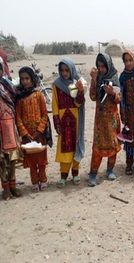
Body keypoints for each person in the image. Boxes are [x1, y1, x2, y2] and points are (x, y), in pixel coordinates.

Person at [15, 66, 52, 192]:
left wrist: (39, 130)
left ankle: (43, 180)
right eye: (22, 79)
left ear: (32, 79)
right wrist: (24, 133)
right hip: (27, 137)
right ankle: (35, 182)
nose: (25, 81)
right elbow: (18, 118)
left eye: (27, 78)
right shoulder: (19, 99)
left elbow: (44, 114)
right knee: (31, 161)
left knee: (41, 160)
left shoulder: (38, 95)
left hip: (39, 135)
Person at [88, 53, 122, 186]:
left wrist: (112, 93)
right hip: (100, 120)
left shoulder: (114, 77)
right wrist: (94, 79)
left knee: (113, 145)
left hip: (112, 119)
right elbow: (92, 96)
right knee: (98, 147)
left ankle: (110, 170)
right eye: (99, 66)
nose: (101, 69)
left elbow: (119, 99)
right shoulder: (97, 78)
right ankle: (93, 173)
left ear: (109, 65)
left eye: (103, 66)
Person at [52, 58, 86, 188]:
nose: (65, 73)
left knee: (76, 144)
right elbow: (55, 104)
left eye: (67, 70)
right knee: (64, 148)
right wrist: (57, 122)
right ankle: (63, 176)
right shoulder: (56, 85)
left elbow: (78, 103)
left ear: (72, 70)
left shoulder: (77, 83)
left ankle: (76, 173)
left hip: (75, 120)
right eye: (62, 70)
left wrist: (80, 91)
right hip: (62, 120)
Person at [0, 58, 22, 200]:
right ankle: (6, 188)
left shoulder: (7, 84)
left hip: (9, 124)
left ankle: (13, 185)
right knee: (1, 160)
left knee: (12, 157)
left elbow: (16, 97)